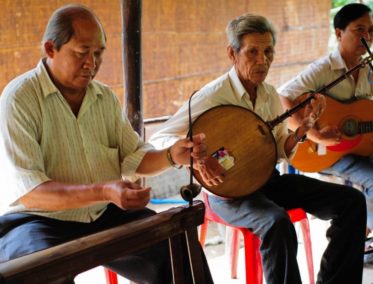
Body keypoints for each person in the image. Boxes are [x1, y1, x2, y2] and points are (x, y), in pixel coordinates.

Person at [0, 4, 214, 284]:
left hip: (103, 213)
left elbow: (135, 157)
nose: (92, 63)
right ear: (51, 49)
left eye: (98, 53)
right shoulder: (20, 99)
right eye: (81, 52)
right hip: (38, 221)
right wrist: (104, 190)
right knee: (37, 271)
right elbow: (32, 192)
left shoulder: (104, 98)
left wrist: (172, 156)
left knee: (179, 251)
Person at [150, 13, 367, 284]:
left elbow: (278, 147)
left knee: (351, 202)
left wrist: (302, 129)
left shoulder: (268, 95)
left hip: (266, 180)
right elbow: (161, 138)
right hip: (229, 195)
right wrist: (196, 159)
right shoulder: (212, 96)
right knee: (277, 223)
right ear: (233, 53)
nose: (262, 60)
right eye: (252, 52)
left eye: (268, 51)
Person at [278, 3, 373, 265]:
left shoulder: (367, 70)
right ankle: (359, 238)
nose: (367, 37)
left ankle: (356, 238)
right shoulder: (324, 68)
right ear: (339, 33)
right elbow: (282, 96)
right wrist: (316, 135)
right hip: (326, 153)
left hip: (357, 148)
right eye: (359, 30)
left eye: (371, 31)